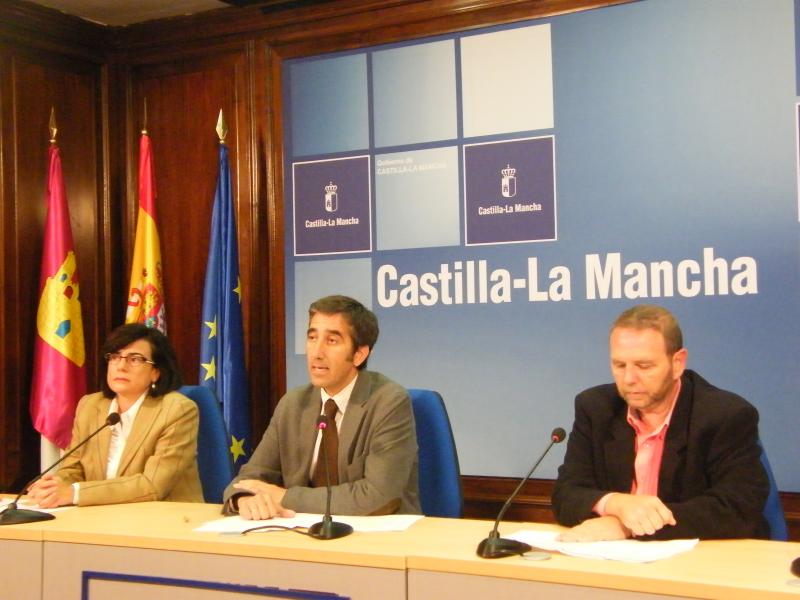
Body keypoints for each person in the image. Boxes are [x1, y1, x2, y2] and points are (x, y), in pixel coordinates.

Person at [552, 304, 769, 541]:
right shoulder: (596, 408)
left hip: (701, 556)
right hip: (614, 557)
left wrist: (628, 526)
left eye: (644, 366)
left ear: (677, 363)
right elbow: (566, 494)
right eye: (620, 365)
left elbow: (736, 508)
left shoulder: (724, 415)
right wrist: (616, 504)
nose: (629, 379)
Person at [223, 295, 420, 519]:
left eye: (332, 341)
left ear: (359, 354)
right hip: (300, 530)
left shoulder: (388, 402)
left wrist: (285, 497)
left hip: (377, 532)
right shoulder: (293, 404)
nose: (316, 352)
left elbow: (378, 497)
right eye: (312, 337)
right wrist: (244, 500)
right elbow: (249, 478)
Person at [27, 323, 203, 507]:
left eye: (135, 359)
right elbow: (74, 468)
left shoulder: (177, 410)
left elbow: (152, 485)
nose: (121, 366)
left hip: (165, 517)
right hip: (101, 514)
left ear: (155, 372)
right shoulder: (90, 406)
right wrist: (54, 486)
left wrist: (75, 493)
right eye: (115, 357)